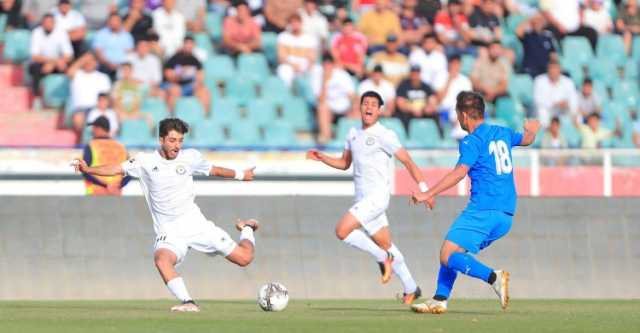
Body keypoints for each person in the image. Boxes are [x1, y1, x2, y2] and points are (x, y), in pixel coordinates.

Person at [72, 118, 259, 312]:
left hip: (196, 225)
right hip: (169, 231)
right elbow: (116, 168)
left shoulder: (191, 157)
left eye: (180, 141)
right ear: (161, 140)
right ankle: (188, 302)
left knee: (244, 258)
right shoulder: (145, 161)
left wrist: (241, 174)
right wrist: (88, 169)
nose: (177, 146)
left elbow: (215, 170)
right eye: (172, 140)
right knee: (161, 259)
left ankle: (247, 228)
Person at [411, 91, 540, 314]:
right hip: (505, 214)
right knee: (452, 250)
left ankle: (493, 277)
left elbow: (459, 172)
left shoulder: (472, 140)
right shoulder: (502, 132)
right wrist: (531, 131)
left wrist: (428, 193)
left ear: (463, 115)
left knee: (447, 255)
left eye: (457, 114)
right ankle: (440, 299)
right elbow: (527, 140)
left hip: (483, 209)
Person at [306, 91, 428, 305]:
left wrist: (424, 189)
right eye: (365, 103)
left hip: (377, 197)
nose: (369, 107)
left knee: (342, 231)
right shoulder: (352, 133)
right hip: (362, 200)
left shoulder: (385, 134)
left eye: (374, 104)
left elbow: (408, 161)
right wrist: (322, 157)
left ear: (380, 110)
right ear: (360, 107)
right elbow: (345, 163)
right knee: (386, 243)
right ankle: (411, 287)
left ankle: (383, 259)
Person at [310, 53, 357, 143]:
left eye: (329, 64)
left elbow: (352, 95)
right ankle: (325, 137)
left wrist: (353, 108)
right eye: (325, 64)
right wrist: (325, 81)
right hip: (329, 108)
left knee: (359, 108)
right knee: (322, 107)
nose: (327, 67)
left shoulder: (342, 75)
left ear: (333, 64)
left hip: (344, 107)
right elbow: (320, 99)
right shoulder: (317, 75)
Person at [81, 115, 129, 195]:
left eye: (94, 127)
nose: (93, 130)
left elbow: (85, 170)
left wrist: (106, 185)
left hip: (95, 195)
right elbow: (130, 172)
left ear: (99, 128)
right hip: (116, 196)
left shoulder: (91, 146)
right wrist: (118, 186)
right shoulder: (121, 147)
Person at [162, 36, 211, 112]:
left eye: (191, 44)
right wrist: (180, 74)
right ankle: (171, 117)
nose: (189, 46)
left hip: (188, 86)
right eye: (187, 44)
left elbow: (200, 76)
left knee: (204, 91)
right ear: (183, 44)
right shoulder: (174, 58)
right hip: (173, 84)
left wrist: (197, 83)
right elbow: (168, 75)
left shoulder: (195, 60)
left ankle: (204, 116)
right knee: (175, 90)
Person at [28, 13, 73, 94]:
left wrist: (53, 63)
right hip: (42, 64)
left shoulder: (61, 33)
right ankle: (36, 96)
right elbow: (34, 56)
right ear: (42, 23)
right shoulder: (36, 32)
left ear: (54, 23)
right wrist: (52, 62)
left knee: (70, 69)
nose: (48, 24)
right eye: (45, 22)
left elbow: (68, 55)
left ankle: (65, 97)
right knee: (35, 68)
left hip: (57, 64)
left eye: (50, 22)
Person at [276, 13, 318, 88]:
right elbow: (281, 57)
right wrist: (293, 65)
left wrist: (306, 68)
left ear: (301, 23)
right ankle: (287, 93)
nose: (295, 25)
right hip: (289, 64)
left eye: (297, 22)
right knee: (283, 70)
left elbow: (312, 57)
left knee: (316, 70)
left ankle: (313, 95)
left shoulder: (309, 38)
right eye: (292, 22)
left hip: (304, 64)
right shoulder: (283, 37)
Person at [396, 65, 440, 135]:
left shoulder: (426, 86)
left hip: (423, 111)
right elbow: (400, 104)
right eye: (413, 73)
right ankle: (407, 137)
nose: (415, 75)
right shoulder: (403, 86)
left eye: (417, 73)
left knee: (436, 115)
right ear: (410, 74)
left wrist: (426, 109)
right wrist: (412, 109)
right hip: (409, 112)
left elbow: (433, 101)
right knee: (402, 116)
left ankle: (439, 135)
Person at [533, 60, 578, 127]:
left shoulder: (568, 82)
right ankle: (547, 133)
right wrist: (554, 103)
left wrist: (567, 104)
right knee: (542, 112)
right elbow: (537, 100)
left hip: (562, 110)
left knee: (576, 114)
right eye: (551, 69)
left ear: (560, 70)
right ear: (548, 70)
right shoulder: (539, 80)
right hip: (548, 110)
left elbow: (574, 99)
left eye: (555, 69)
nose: (553, 71)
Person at [92, 14, 135, 79]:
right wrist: (108, 64)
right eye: (112, 21)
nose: (114, 23)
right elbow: (98, 52)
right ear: (108, 22)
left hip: (122, 67)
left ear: (120, 22)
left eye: (116, 21)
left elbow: (129, 53)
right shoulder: (101, 34)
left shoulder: (127, 36)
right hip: (104, 66)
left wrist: (120, 65)